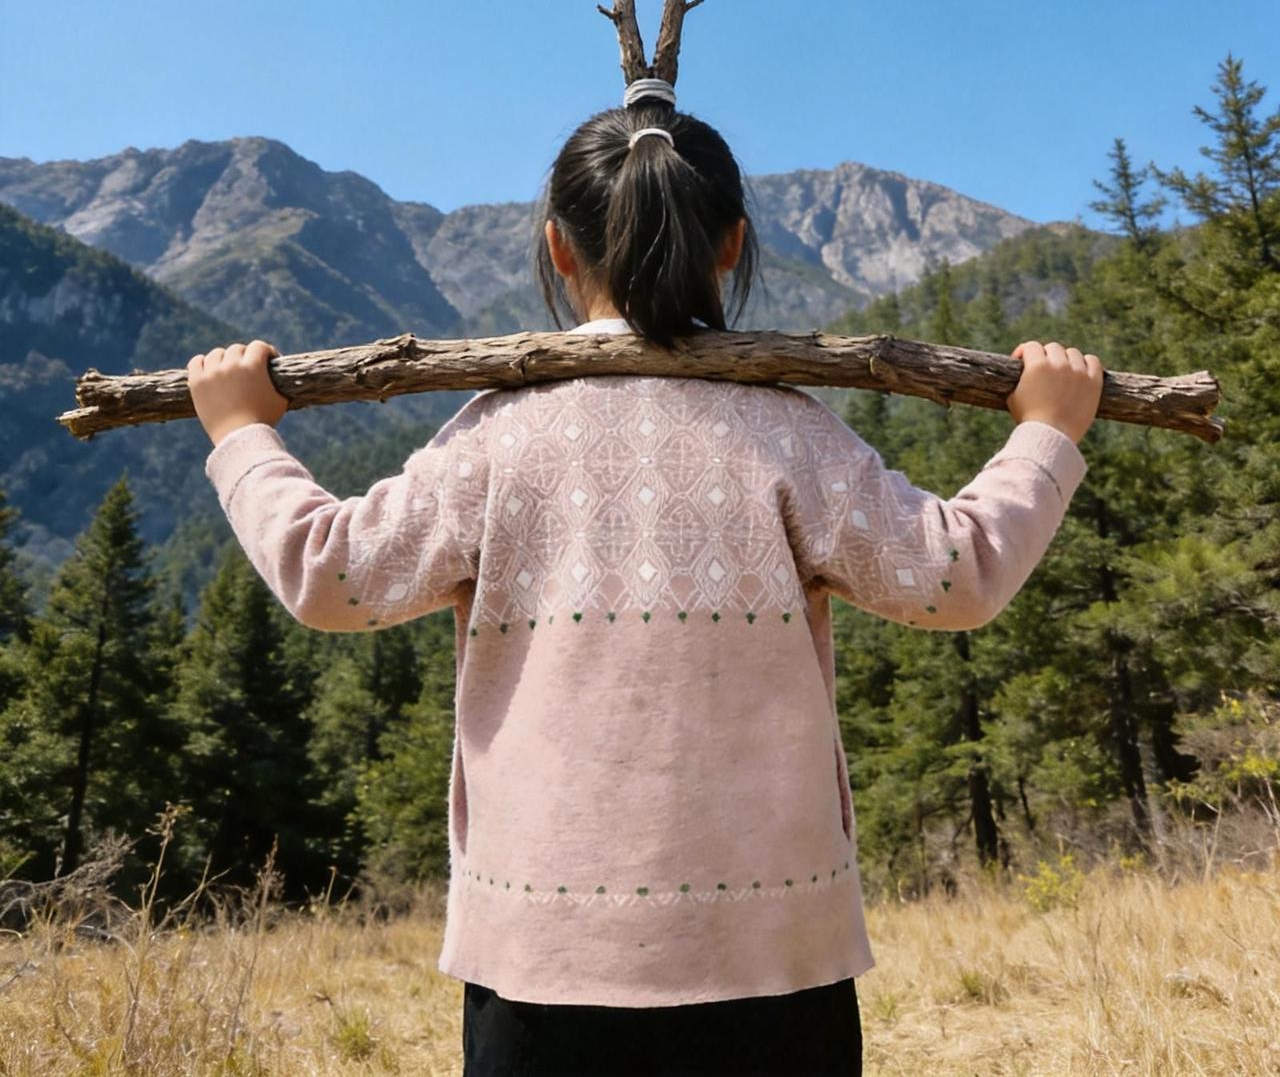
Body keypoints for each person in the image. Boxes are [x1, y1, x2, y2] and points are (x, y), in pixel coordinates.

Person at [189, 81, 1104, 1077]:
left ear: (555, 248)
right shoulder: (790, 431)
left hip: (542, 965)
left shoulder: (497, 434)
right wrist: (1045, 431)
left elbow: (335, 577)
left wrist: (241, 434)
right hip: (773, 966)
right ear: (732, 246)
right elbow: (952, 575)